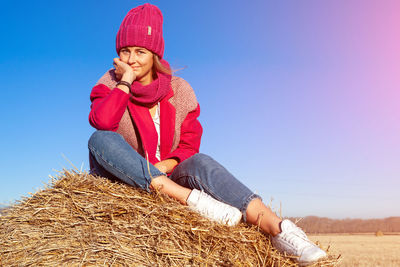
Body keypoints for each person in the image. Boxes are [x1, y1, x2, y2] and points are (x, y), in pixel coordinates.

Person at [88, 3, 326, 266]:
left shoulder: (180, 90)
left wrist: (165, 165)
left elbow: (190, 143)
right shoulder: (109, 83)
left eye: (140, 51)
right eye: (125, 51)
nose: (131, 59)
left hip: (171, 171)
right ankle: (191, 200)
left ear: (154, 54)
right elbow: (102, 121)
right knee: (99, 140)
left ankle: (280, 230)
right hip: (128, 177)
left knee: (201, 161)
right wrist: (125, 82)